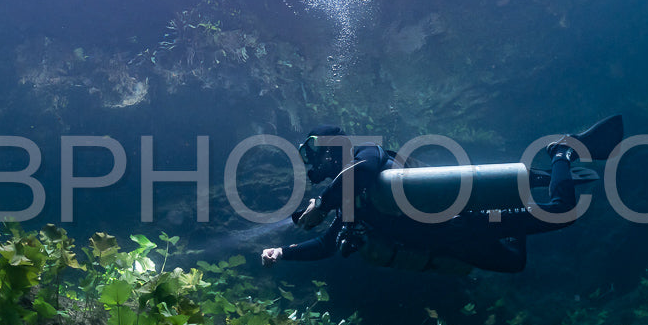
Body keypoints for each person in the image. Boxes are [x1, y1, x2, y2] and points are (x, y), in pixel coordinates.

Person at [260, 117, 623, 274]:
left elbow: (365, 171)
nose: (311, 162)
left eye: (312, 151)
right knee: (514, 263)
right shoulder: (351, 206)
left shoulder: (366, 153)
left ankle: (564, 152)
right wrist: (284, 252)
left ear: (329, 148)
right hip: (452, 242)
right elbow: (325, 246)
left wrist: (323, 204)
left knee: (562, 211)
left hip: (466, 221)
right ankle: (521, 194)